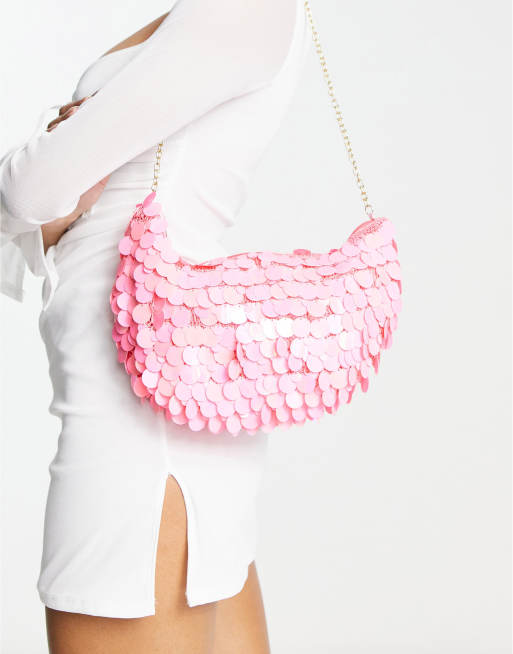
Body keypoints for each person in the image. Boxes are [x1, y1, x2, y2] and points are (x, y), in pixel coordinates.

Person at [0, 0, 310, 651]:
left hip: (135, 402)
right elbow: (46, 210)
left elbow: (33, 192)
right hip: (166, 395)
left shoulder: (240, 9)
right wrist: (47, 188)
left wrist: (46, 166)